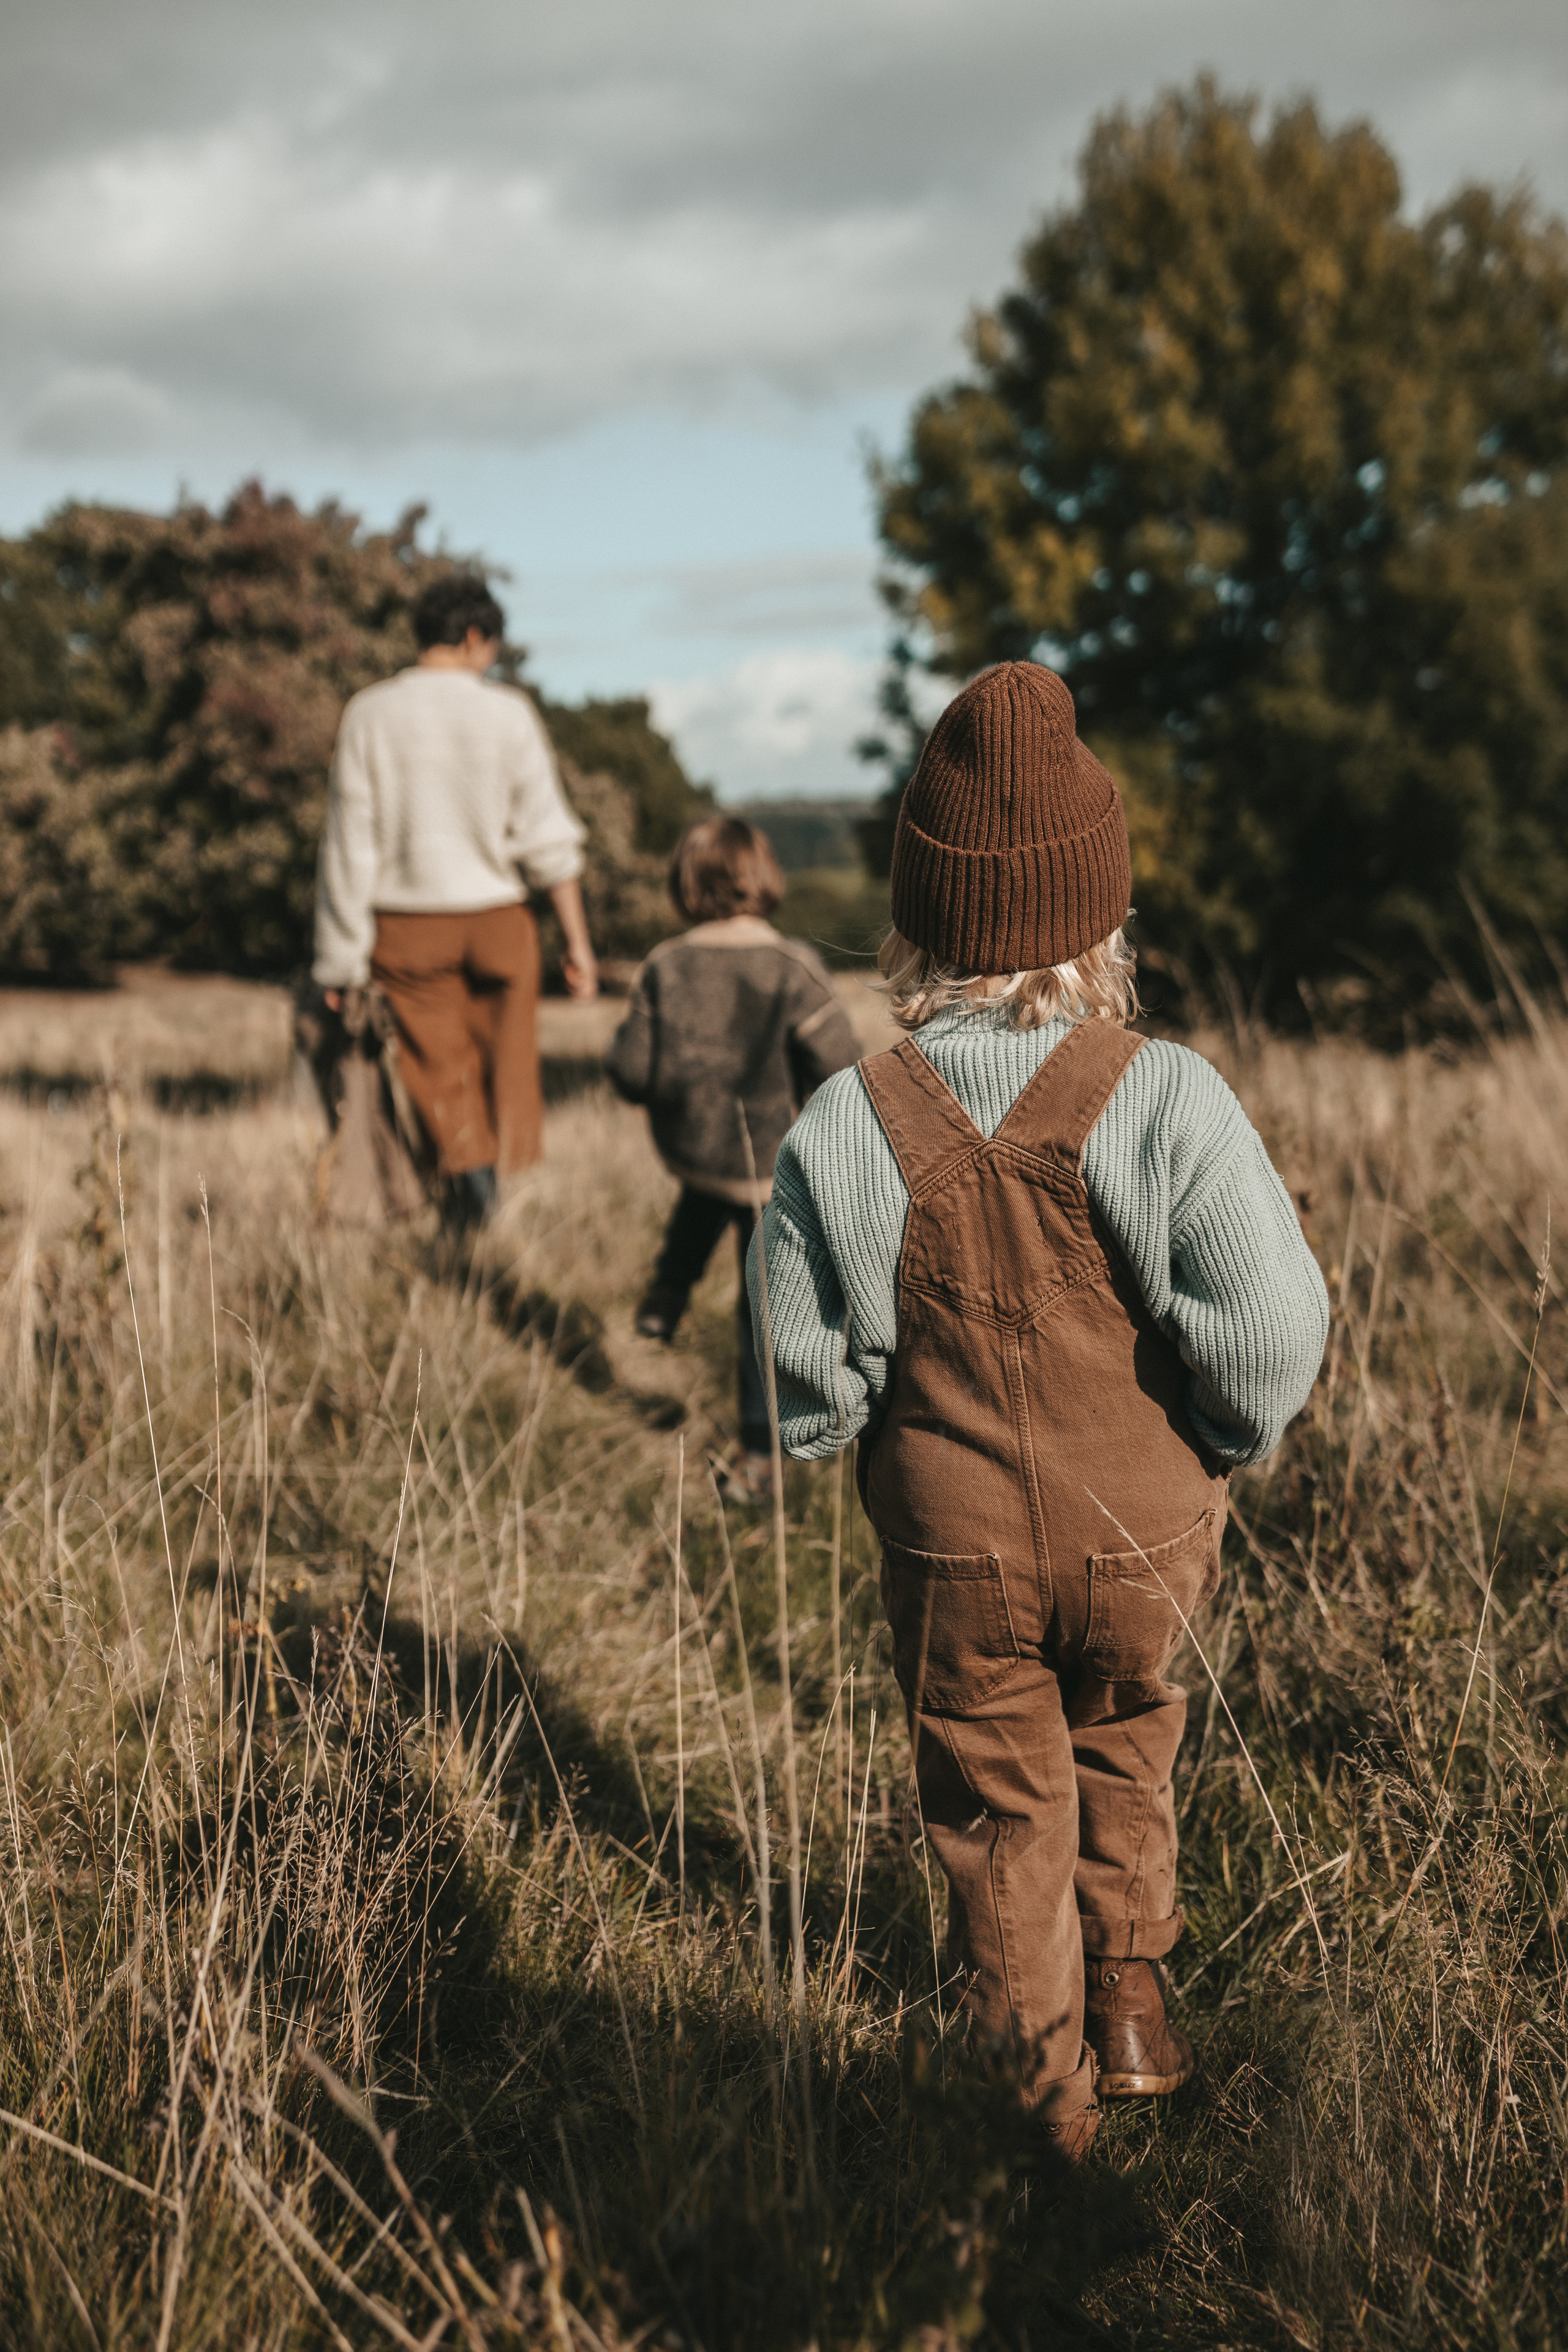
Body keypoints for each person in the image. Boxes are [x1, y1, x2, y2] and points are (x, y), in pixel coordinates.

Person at [748, 662, 1328, 2155]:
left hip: (954, 1546)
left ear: (915, 923)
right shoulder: (1169, 1094)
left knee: (996, 1801)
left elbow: (797, 1346)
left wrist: (831, 1419)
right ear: (1100, 916)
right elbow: (1272, 1327)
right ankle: (1128, 2002)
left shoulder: (847, 1120)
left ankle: (1032, 2112)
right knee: (1129, 1727)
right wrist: (1225, 1432)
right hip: (1144, 1523)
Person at [312, 574, 598, 1227]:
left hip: (407, 927)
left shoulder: (369, 712)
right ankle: (483, 1211)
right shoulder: (509, 713)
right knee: (504, 1070)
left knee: (438, 1075)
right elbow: (550, 841)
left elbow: (350, 849)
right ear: (474, 636)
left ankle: (471, 1209)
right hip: (500, 921)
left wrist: (340, 962)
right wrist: (578, 945)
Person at [605, 816, 859, 1499]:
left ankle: (667, 1293)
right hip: (772, 1167)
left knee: (700, 1200)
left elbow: (630, 1072)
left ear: (685, 884)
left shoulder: (665, 965)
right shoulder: (792, 966)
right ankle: (758, 1457)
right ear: (763, 878)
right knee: (760, 1312)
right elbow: (841, 1065)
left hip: (695, 1148)